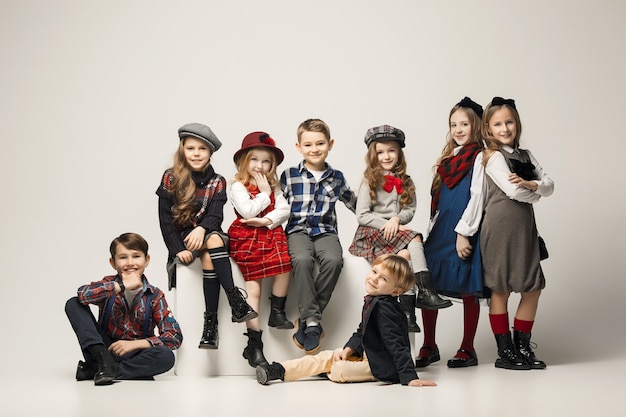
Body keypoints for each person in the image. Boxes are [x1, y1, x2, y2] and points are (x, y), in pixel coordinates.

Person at [255, 254, 437, 387]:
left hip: (382, 365)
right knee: (327, 356)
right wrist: (349, 349)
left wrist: (409, 376)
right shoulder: (374, 301)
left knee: (338, 370)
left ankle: (321, 369)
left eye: (383, 279)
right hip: (367, 355)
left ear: (395, 291)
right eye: (374, 271)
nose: (374, 279)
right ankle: (277, 370)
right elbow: (361, 331)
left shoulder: (385, 307)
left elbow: (396, 343)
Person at [156, 123, 257, 350]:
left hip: (209, 233)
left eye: (202, 149)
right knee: (210, 248)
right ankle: (234, 304)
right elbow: (164, 220)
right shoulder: (171, 178)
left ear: (210, 153)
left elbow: (215, 216)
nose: (196, 153)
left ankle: (212, 324)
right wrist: (176, 249)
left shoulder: (218, 181)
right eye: (191, 148)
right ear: (182, 150)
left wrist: (201, 229)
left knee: (212, 242)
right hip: (184, 241)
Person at [348, 125, 452, 334]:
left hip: (394, 233)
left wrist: (395, 219)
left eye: (391, 150)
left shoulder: (406, 181)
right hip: (372, 233)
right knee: (415, 238)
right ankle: (425, 290)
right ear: (373, 155)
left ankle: (408, 315)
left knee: (405, 256)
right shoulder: (370, 181)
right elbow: (362, 215)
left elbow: (409, 210)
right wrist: (386, 223)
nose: (386, 156)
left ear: (399, 153)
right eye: (380, 152)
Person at [480, 97, 554, 370]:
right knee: (500, 289)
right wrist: (535, 192)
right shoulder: (492, 157)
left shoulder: (526, 155)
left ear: (517, 123)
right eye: (498, 124)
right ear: (488, 128)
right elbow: (513, 191)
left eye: (509, 121)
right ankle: (505, 351)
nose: (505, 128)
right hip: (499, 229)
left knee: (532, 288)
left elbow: (550, 185)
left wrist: (531, 184)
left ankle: (522, 346)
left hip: (525, 230)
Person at [418, 97, 489, 369]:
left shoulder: (481, 157)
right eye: (453, 124)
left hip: (463, 229)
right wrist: (430, 229)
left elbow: (477, 197)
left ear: (477, 126)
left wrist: (464, 233)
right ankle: (429, 344)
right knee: (426, 284)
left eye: (464, 123)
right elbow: (437, 200)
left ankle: (468, 347)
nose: (458, 129)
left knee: (468, 288)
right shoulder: (449, 158)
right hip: (441, 228)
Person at [280, 118, 357, 355]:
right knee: (302, 260)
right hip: (297, 231)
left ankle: (307, 321)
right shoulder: (289, 175)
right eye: (308, 145)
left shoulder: (336, 177)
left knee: (334, 260)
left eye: (320, 143)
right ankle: (314, 323)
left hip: (325, 231)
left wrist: (379, 211)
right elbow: (275, 204)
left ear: (330, 144)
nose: (314, 149)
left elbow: (354, 202)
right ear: (298, 147)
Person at [64, 232, 183, 385]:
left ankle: (101, 370)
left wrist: (135, 344)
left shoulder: (155, 296)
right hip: (104, 349)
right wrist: (120, 286)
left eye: (136, 256)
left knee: (166, 357)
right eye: (123, 257)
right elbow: (82, 294)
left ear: (146, 260)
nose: (130, 263)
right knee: (73, 303)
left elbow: (174, 336)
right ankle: (104, 362)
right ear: (113, 263)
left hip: (135, 354)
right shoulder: (108, 285)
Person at [228, 131, 293, 368]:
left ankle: (277, 310)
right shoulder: (237, 185)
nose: (260, 165)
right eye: (254, 159)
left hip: (269, 233)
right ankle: (254, 343)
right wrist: (264, 195)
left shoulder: (274, 186)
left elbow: (285, 210)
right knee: (253, 289)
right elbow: (247, 211)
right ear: (244, 161)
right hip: (247, 238)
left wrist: (266, 221)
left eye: (266, 161)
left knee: (285, 265)